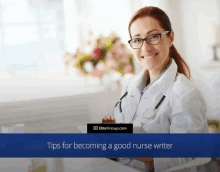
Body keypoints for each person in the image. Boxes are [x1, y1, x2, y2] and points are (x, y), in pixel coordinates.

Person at [108, 6, 209, 172]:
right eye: (137, 40)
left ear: (170, 38)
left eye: (153, 36)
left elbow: (182, 156)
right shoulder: (129, 87)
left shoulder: (186, 94)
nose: (145, 48)